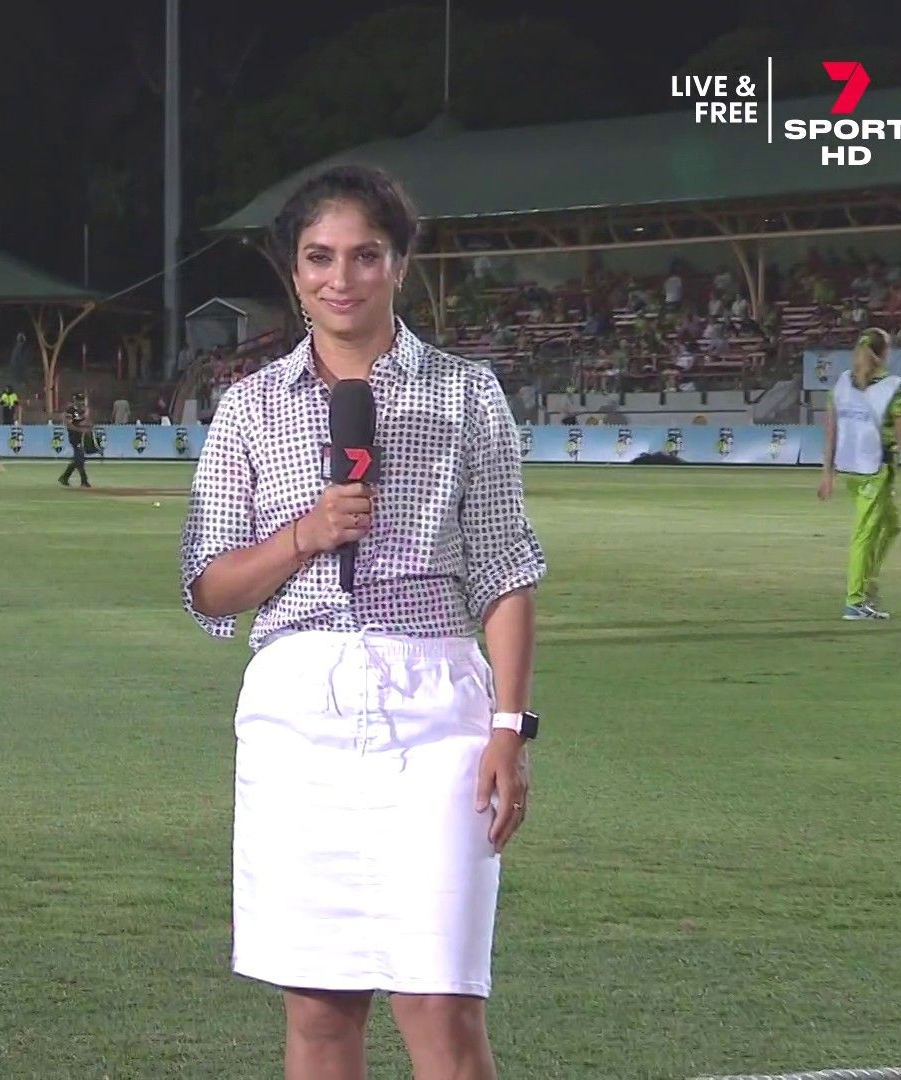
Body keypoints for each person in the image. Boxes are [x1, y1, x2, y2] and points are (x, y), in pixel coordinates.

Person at [180, 164, 546, 1080]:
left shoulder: (466, 394)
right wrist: (304, 536)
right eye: (319, 257)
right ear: (293, 271)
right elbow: (210, 586)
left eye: (365, 256)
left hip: (438, 706)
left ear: (400, 264)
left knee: (441, 1002)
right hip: (297, 710)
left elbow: (505, 569)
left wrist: (510, 727)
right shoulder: (250, 407)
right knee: (319, 1009)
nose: (340, 278)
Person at [817, 327, 901, 620]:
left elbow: (831, 430)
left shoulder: (842, 383)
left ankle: (868, 581)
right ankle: (855, 601)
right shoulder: (894, 386)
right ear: (885, 353)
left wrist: (827, 474)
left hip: (850, 468)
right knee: (865, 533)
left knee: (891, 524)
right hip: (876, 470)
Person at [58, 391, 93, 488]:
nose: (81, 402)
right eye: (79, 400)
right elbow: (69, 425)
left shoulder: (82, 410)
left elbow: (87, 422)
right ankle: (84, 480)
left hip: (81, 436)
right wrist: (81, 429)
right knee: (80, 458)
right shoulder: (70, 411)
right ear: (74, 400)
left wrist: (88, 427)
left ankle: (65, 477)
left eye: (82, 400)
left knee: (78, 459)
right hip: (74, 436)